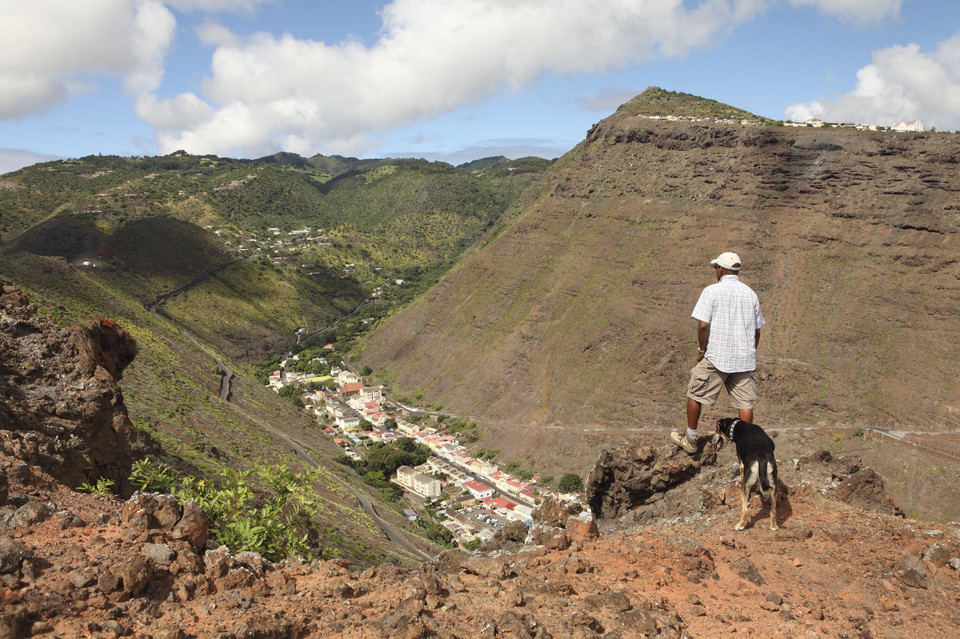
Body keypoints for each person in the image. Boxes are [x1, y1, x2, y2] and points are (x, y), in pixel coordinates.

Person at [671, 252, 765, 454]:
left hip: (717, 356)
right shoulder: (751, 294)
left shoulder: (712, 291)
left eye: (716, 268)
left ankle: (690, 438)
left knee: (695, 393)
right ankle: (744, 448)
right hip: (744, 358)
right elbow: (757, 331)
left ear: (721, 270)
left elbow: (703, 325)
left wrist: (701, 350)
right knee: (745, 403)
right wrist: (750, 351)